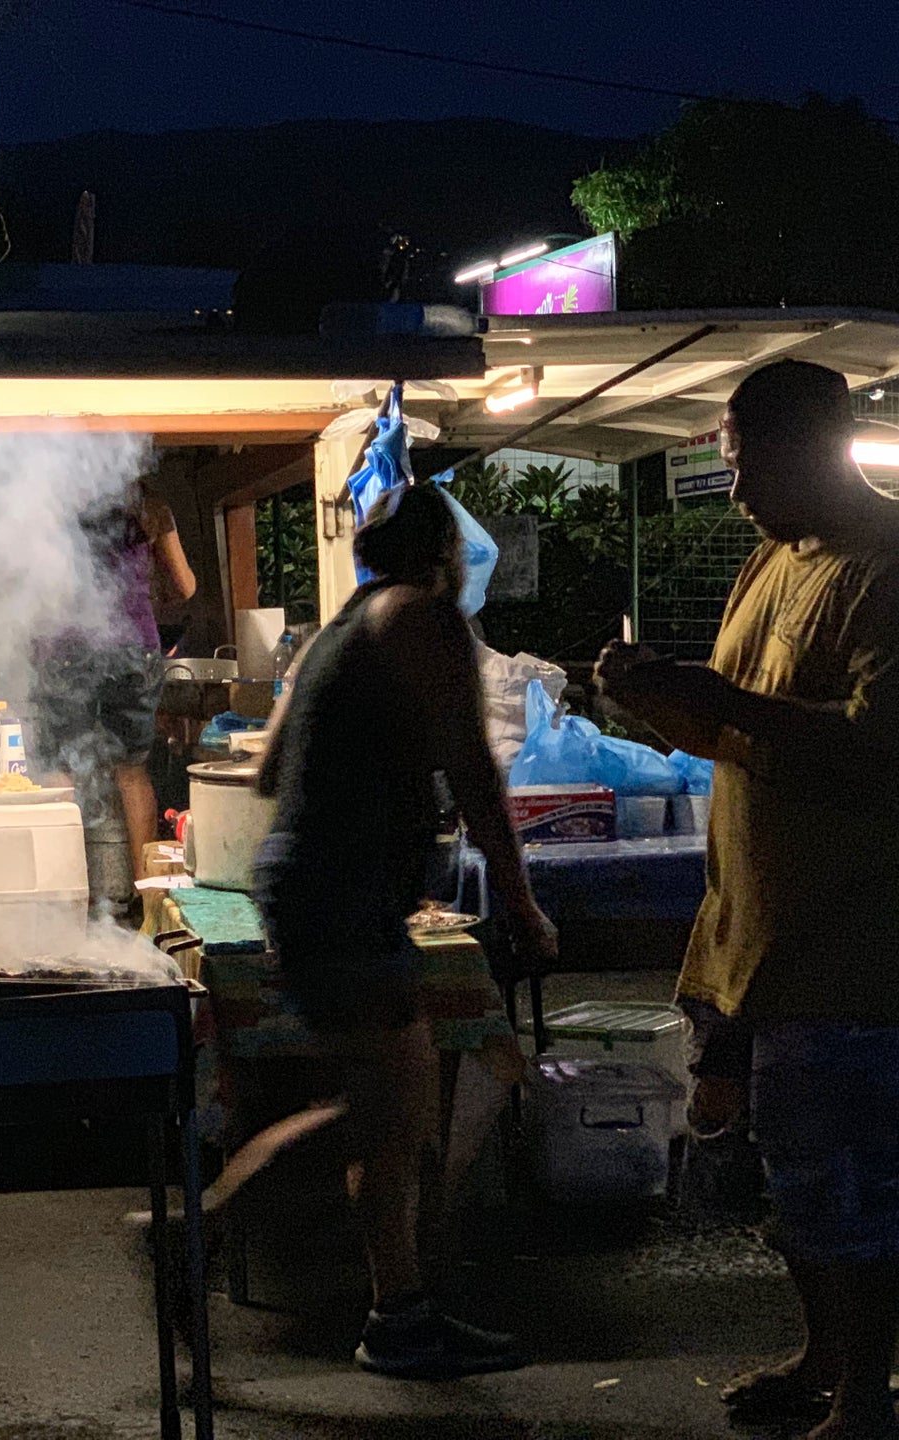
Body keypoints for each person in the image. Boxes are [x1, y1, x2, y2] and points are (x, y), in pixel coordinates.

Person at [595, 360, 899, 1440]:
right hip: (748, 937)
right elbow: (736, 734)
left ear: (812, 445)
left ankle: (867, 1398)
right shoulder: (770, 564)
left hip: (852, 946)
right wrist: (656, 702)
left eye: (741, 464)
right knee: (793, 1181)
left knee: (852, 1185)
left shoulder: (886, 566)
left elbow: (878, 752)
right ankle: (824, 1357)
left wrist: (723, 700)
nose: (732, 493)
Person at [254, 480, 556, 1380]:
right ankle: (387, 1313)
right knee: (395, 1114)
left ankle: (396, 1306)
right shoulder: (423, 618)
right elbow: (472, 771)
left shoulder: (335, 629)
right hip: (343, 894)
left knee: (386, 1107)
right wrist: (522, 900)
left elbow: (270, 768)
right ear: (450, 558)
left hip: (310, 885)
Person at [34, 484, 196, 882]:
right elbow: (187, 586)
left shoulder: (59, 499)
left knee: (61, 768)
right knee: (133, 770)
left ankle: (64, 891)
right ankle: (147, 895)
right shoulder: (152, 508)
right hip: (133, 645)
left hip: (69, 645)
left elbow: (33, 579)